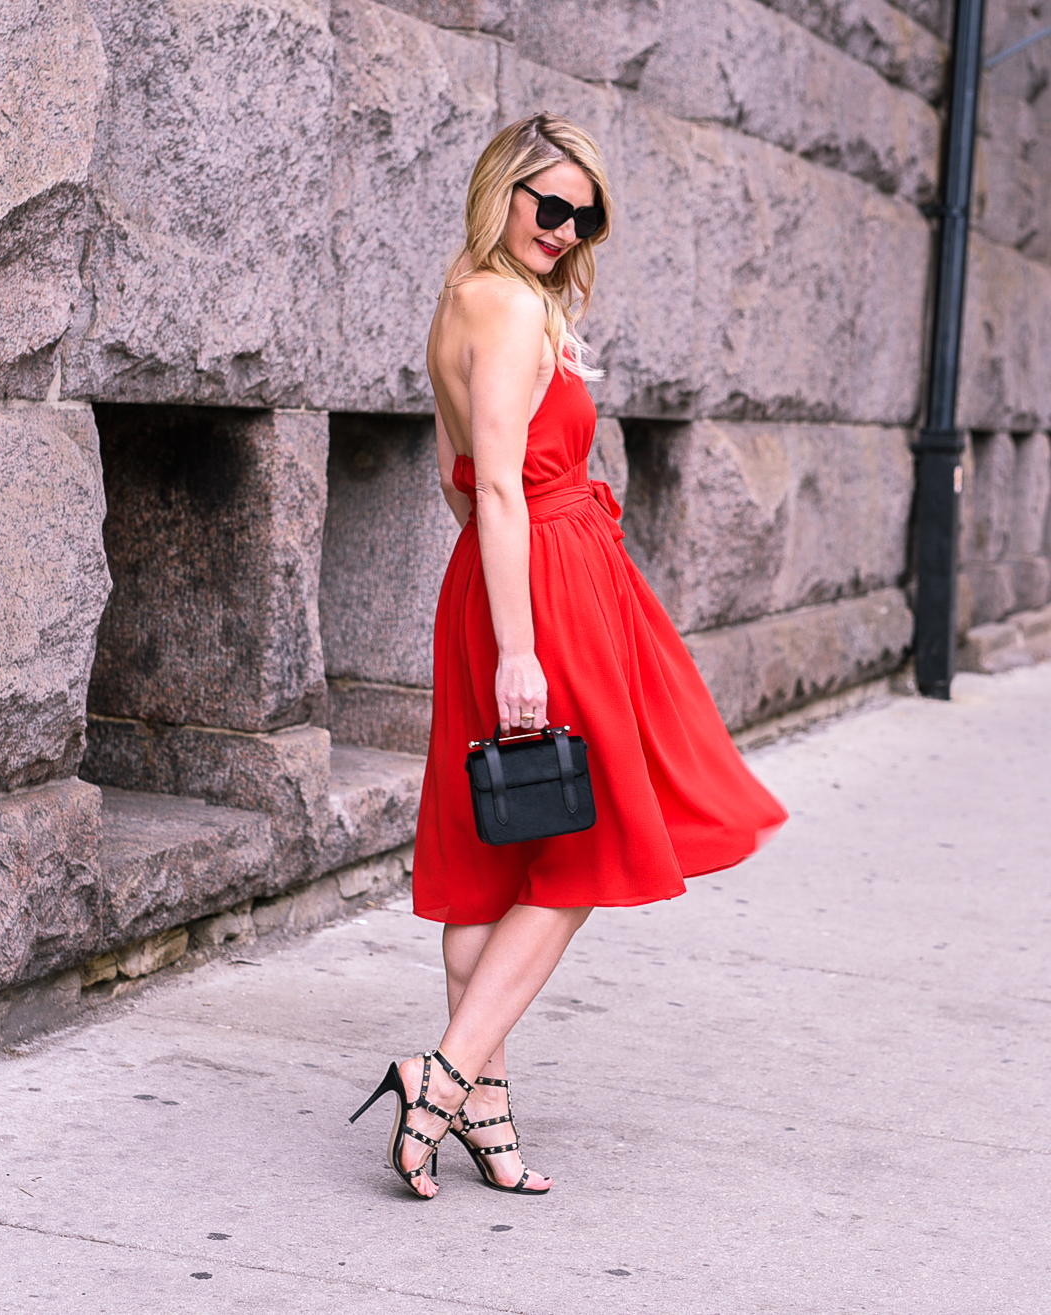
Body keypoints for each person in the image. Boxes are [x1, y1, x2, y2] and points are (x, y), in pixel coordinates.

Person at [349, 113, 787, 1199]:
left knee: (498, 856)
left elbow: (459, 479)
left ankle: (482, 1110)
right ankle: (439, 1076)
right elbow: (492, 485)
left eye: (583, 214)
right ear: (502, 189)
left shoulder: (469, 301)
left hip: (513, 578)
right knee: (585, 841)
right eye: (549, 204)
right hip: (544, 586)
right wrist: (521, 646)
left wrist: (548, 366)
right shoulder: (503, 307)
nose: (565, 226)